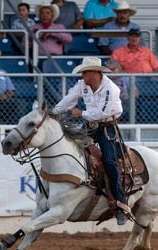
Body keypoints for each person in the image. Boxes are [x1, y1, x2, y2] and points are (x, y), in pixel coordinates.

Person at [52, 57, 129, 225]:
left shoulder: (111, 88)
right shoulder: (82, 85)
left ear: (95, 72)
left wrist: (81, 113)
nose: (82, 75)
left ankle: (121, 203)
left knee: (110, 161)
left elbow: (102, 113)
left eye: (85, 72)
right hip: (90, 125)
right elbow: (68, 100)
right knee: (70, 148)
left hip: (106, 127)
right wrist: (53, 113)